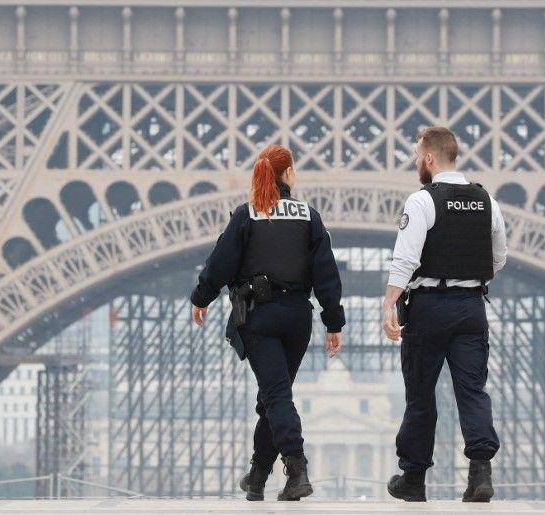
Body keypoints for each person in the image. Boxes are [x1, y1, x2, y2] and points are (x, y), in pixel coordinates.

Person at [190, 144, 345, 501]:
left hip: (259, 316)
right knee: (274, 397)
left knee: (276, 395)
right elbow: (326, 275)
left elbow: (221, 263)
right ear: (289, 173)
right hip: (297, 319)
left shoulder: (247, 215)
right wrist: (333, 322)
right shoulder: (309, 216)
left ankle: (297, 467)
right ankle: (258, 475)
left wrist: (201, 298)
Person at [381, 126, 508, 503]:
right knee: (472, 391)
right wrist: (468, 279)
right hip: (471, 308)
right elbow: (499, 258)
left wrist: (389, 304)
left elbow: (406, 259)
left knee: (421, 394)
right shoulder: (487, 201)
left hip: (429, 309)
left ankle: (415, 478)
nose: (417, 162)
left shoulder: (422, 201)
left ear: (430, 158)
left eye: (419, 156)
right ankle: (480, 472)